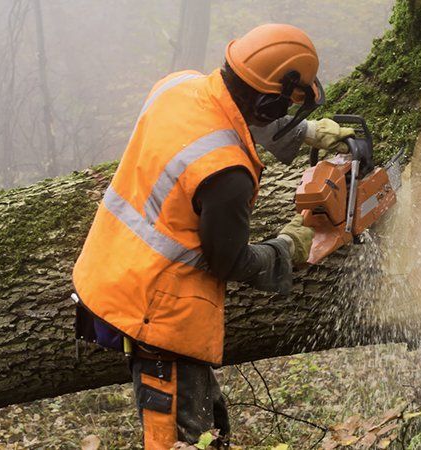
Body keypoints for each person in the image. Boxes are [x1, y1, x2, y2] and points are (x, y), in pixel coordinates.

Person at [72, 23, 354, 449]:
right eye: (283, 108)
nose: (284, 114)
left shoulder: (179, 87)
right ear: (264, 100)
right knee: (179, 440)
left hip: (112, 269)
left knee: (211, 426)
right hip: (156, 308)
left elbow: (227, 114)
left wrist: (304, 133)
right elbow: (230, 260)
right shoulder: (227, 174)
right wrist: (289, 247)